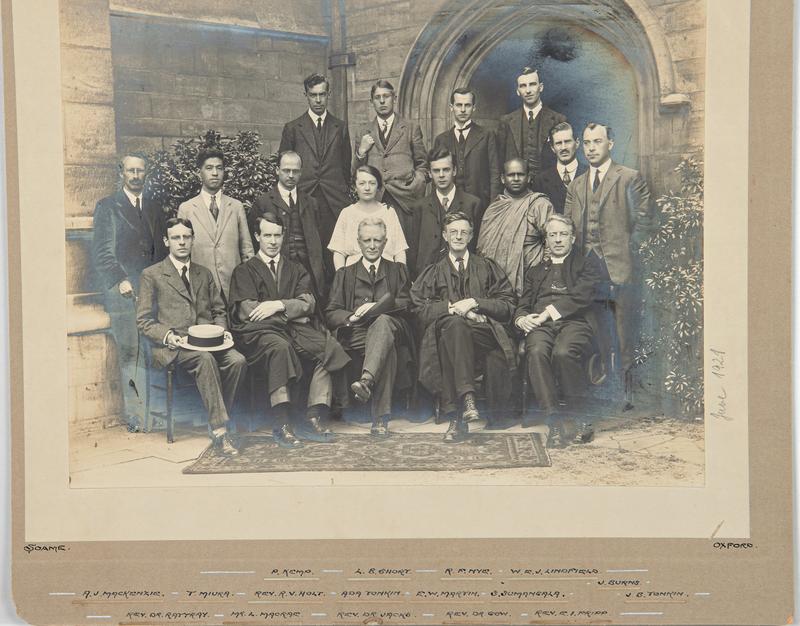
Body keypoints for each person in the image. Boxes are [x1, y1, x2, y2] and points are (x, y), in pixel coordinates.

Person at [228, 213, 351, 448]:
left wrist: (278, 305)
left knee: (327, 346)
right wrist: (291, 311)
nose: (273, 241)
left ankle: (312, 416)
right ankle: (282, 423)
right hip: (261, 334)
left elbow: (308, 302)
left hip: (293, 329)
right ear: (257, 237)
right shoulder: (244, 271)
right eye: (267, 235)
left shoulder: (295, 269)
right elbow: (248, 311)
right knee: (280, 348)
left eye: (277, 235)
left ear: (283, 236)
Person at [136, 218, 246, 455]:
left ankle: (216, 417)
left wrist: (223, 330)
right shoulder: (152, 275)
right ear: (167, 241)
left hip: (209, 342)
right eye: (176, 238)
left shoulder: (203, 273)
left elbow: (218, 310)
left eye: (186, 237)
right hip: (173, 347)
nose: (182, 242)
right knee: (204, 359)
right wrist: (167, 336)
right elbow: (143, 321)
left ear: (193, 240)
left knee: (237, 360)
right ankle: (220, 430)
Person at [411, 212, 517, 442]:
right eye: (453, 232)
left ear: (471, 236)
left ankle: (456, 418)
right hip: (452, 334)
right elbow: (418, 308)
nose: (458, 236)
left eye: (463, 232)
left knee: (454, 333)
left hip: (485, 334)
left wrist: (476, 303)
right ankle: (467, 398)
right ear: (444, 236)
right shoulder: (434, 271)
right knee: (455, 328)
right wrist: (454, 309)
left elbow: (507, 305)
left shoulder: (487, 267)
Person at [565, 122, 653, 378]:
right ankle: (602, 386)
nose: (591, 148)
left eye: (598, 141)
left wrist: (628, 250)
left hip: (618, 266)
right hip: (586, 268)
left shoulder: (628, 177)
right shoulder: (576, 185)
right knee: (595, 327)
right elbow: (568, 223)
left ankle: (627, 389)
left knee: (624, 328)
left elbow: (645, 220)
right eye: (587, 143)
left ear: (610, 144)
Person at [92, 152, 168, 431]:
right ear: (121, 173)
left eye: (140, 171)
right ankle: (136, 416)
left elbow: (161, 252)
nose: (136, 176)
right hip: (123, 292)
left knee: (155, 349)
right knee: (131, 352)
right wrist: (120, 280)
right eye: (130, 171)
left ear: (146, 173)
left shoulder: (154, 208)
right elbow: (102, 252)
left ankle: (157, 412)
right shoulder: (108, 207)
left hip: (152, 291)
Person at [514, 215, 602, 447]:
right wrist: (522, 319)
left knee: (563, 353)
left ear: (572, 238)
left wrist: (547, 313)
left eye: (563, 234)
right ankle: (553, 421)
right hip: (541, 326)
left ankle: (582, 418)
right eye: (552, 235)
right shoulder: (535, 270)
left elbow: (581, 296)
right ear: (546, 240)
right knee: (536, 352)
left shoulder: (587, 264)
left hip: (576, 322)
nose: (558, 239)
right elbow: (523, 302)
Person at [325, 217, 414, 437]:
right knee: (387, 350)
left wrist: (380, 306)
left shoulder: (397, 270)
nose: (372, 245)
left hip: (393, 327)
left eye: (377, 240)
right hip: (356, 332)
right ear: (358, 242)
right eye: (367, 240)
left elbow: (408, 304)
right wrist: (352, 316)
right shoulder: (344, 274)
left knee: (382, 323)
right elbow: (331, 312)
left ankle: (365, 381)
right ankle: (380, 420)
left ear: (385, 243)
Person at [278, 73, 351, 267]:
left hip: (334, 203)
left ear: (329, 94)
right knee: (307, 254)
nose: (318, 100)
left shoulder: (340, 127)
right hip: (304, 199)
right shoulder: (292, 128)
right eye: (313, 95)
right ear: (306, 95)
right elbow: (284, 168)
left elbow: (346, 167)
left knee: (334, 254)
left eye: (322, 94)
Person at [352, 79, 429, 239]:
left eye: (386, 96)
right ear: (371, 101)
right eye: (377, 97)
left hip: (404, 198)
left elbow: (423, 163)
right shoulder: (363, 132)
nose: (382, 101)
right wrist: (361, 152)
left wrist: (416, 183)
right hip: (375, 198)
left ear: (394, 98)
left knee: (405, 245)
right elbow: (356, 172)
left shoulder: (410, 128)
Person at [177, 146, 254, 301]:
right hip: (202, 288)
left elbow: (247, 249)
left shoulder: (236, 206)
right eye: (209, 168)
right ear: (200, 172)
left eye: (219, 168)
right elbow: (181, 252)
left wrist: (249, 282)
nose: (214, 173)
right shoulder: (187, 208)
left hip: (234, 286)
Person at [251, 151, 327, 303]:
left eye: (296, 171)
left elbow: (319, 239)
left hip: (309, 271)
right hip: (278, 272)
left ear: (301, 173)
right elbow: (254, 242)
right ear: (277, 170)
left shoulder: (311, 203)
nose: (291, 175)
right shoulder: (263, 202)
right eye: (286, 170)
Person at [477, 158, 553, 296]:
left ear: (529, 177)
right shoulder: (494, 208)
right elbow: (482, 249)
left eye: (521, 174)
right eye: (511, 175)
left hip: (529, 281)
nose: (516, 178)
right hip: (496, 283)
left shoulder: (540, 205)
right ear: (502, 178)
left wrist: (540, 274)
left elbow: (552, 243)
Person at [432, 87, 500, 234]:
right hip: (450, 205)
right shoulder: (441, 139)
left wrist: (492, 207)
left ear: (474, 108)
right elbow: (436, 177)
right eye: (459, 105)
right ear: (451, 108)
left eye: (467, 105)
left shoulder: (487, 135)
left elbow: (495, 173)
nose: (463, 109)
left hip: (480, 203)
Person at [409, 147, 480, 277]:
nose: (441, 175)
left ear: (454, 171)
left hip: (462, 277)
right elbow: (414, 249)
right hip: (427, 279)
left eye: (446, 170)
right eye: (436, 171)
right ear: (430, 173)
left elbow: (476, 247)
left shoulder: (472, 204)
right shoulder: (420, 206)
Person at [328, 165, 408, 270]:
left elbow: (399, 250)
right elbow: (338, 252)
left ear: (378, 186)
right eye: (362, 183)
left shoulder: (388, 212)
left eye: (372, 183)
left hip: (386, 273)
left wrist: (399, 276)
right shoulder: (347, 213)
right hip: (354, 275)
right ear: (355, 187)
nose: (367, 188)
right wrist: (342, 278)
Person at [497, 67, 567, 184]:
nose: (528, 90)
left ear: (541, 87)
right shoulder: (506, 121)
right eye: (523, 86)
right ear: (518, 91)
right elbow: (499, 161)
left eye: (532, 84)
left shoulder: (558, 120)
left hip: (549, 187)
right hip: (517, 189)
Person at [532, 122, 587, 214]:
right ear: (553, 148)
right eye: (558, 143)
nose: (563, 147)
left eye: (567, 141)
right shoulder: (540, 180)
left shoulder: (591, 173)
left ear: (577, 143)